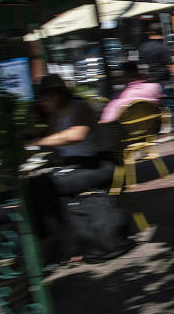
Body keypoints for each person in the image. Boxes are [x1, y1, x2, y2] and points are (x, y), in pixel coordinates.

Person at [26, 74, 115, 262]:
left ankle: (57, 239)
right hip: (73, 166)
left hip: (95, 166)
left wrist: (38, 142)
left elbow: (76, 135)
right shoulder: (55, 117)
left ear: (59, 94)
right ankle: (51, 237)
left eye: (46, 97)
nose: (43, 102)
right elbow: (55, 150)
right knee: (32, 185)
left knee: (45, 185)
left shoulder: (80, 107)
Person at [138, 21, 174, 140]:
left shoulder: (142, 48)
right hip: (165, 82)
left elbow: (141, 67)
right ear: (161, 32)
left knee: (153, 111)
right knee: (173, 108)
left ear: (148, 33)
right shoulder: (164, 47)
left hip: (149, 84)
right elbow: (170, 65)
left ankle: (153, 137)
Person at [99, 61, 163, 124]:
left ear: (126, 75)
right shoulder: (155, 87)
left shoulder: (119, 98)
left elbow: (107, 121)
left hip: (129, 132)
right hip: (152, 129)